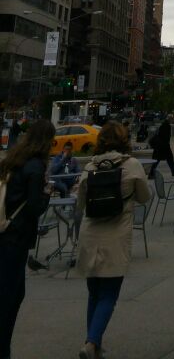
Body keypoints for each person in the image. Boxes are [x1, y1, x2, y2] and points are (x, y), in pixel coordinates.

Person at [75, 121, 150, 359]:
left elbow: (80, 203)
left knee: (94, 292)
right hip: (116, 234)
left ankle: (93, 344)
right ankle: (91, 342)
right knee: (109, 294)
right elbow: (144, 197)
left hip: (90, 233)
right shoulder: (133, 165)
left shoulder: (89, 167)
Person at [0, 118, 55, 359]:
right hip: (17, 238)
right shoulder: (35, 167)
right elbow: (34, 207)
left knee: (11, 294)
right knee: (9, 298)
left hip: (4, 232)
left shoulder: (14, 160)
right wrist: (47, 194)